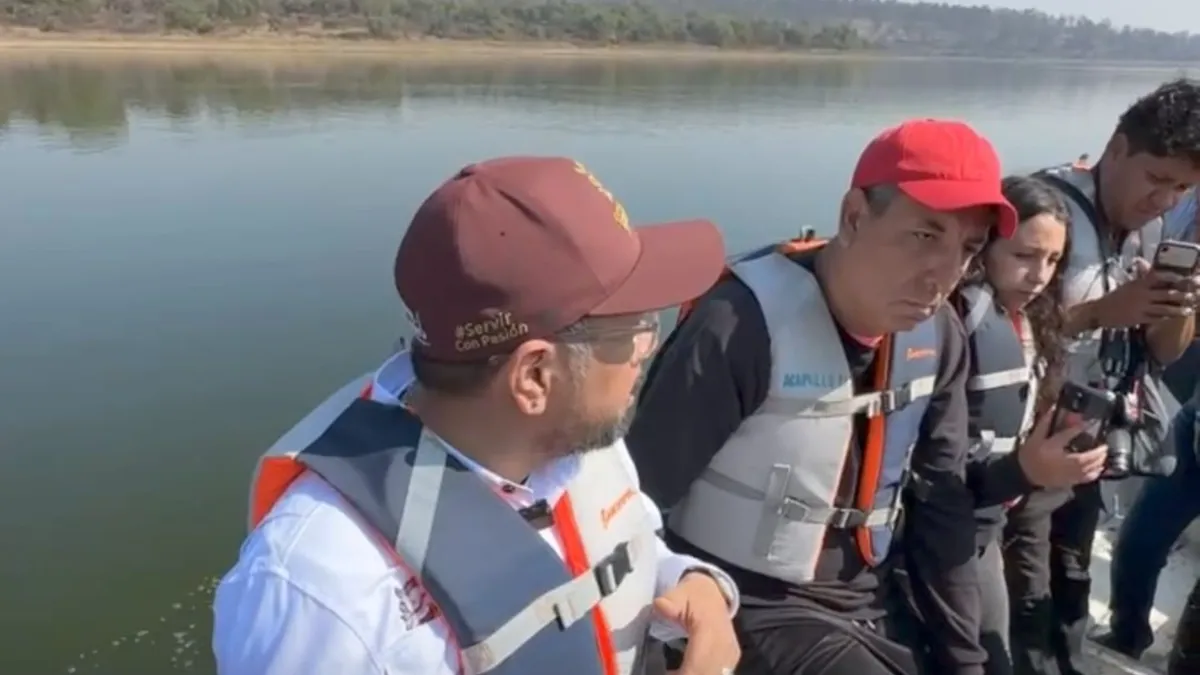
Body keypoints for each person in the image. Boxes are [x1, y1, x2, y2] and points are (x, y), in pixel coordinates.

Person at [210, 155, 745, 675]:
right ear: (535, 376)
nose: (646, 350)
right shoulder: (326, 600)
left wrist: (696, 583)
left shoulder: (580, 436)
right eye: (635, 330)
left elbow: (628, 543)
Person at [624, 118, 1090, 675]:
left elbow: (940, 507)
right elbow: (634, 502)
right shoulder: (739, 327)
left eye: (968, 248)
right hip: (748, 600)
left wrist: (966, 660)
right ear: (853, 216)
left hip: (869, 594)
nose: (944, 275)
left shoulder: (940, 335)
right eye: (925, 236)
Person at [1031, 78, 1200, 675]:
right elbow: (982, 335)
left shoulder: (1154, 229)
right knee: (1020, 593)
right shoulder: (1042, 213)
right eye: (1157, 178)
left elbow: (1164, 353)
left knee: (1070, 587)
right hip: (1021, 447)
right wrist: (1103, 311)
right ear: (1118, 148)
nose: (1164, 199)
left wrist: (1176, 309)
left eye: (1182, 188)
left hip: (1090, 441)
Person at [951, 175, 1106, 675]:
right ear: (983, 246)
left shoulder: (1033, 322)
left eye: (1054, 260)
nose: (1040, 275)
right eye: (1024, 255)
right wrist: (1028, 470)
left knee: (1009, 642)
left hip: (1001, 517)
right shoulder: (954, 326)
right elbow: (935, 472)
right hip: (950, 533)